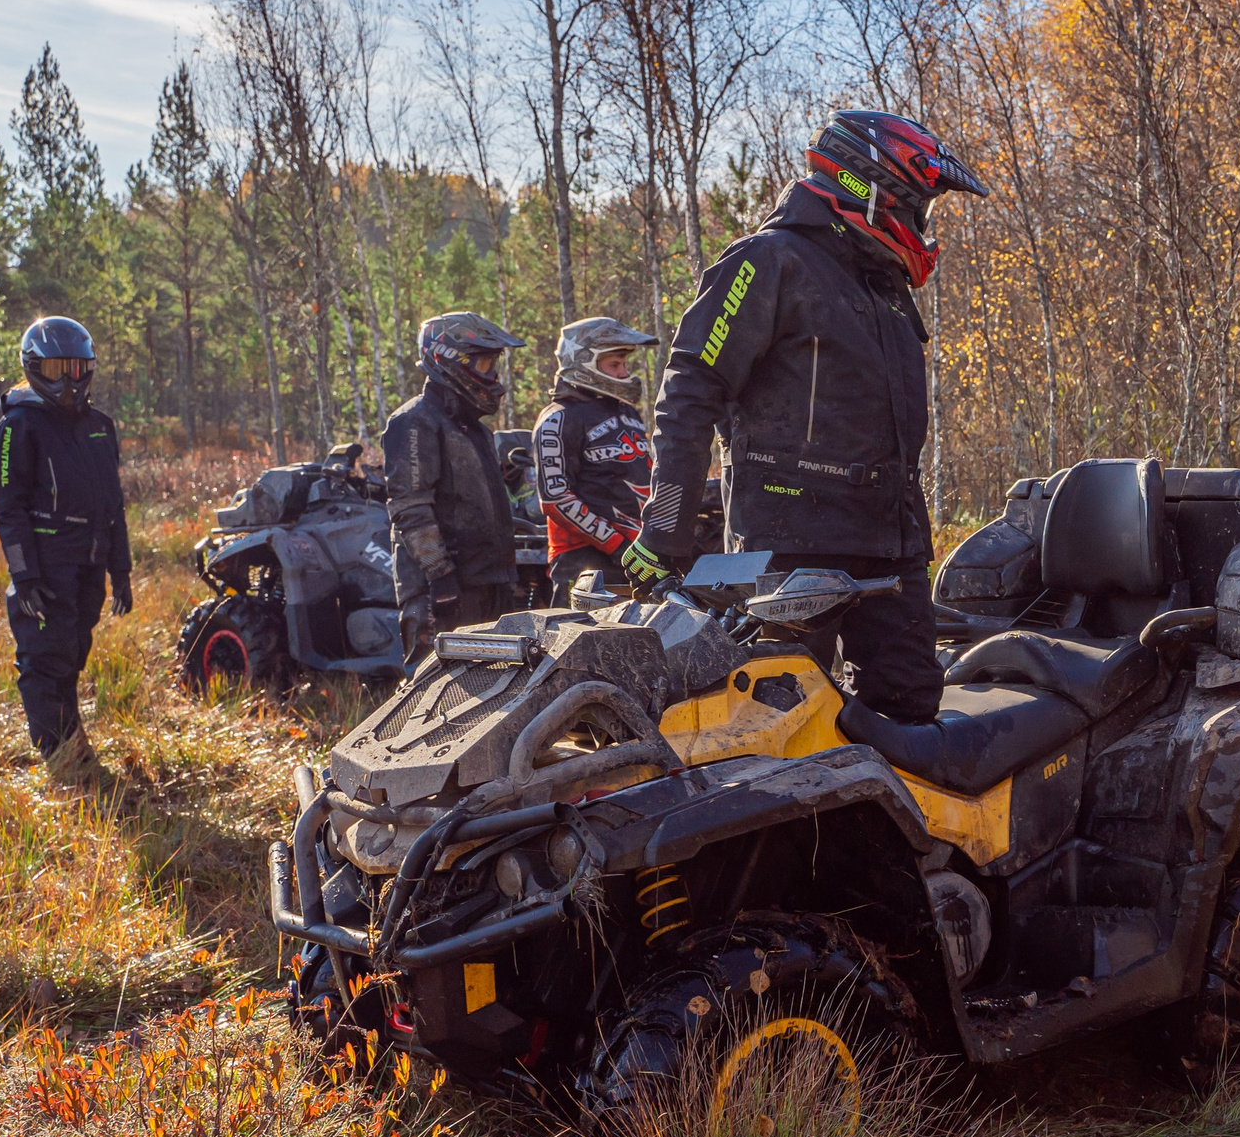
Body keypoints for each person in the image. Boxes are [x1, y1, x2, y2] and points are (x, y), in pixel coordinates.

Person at [632, 110, 986, 724]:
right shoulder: (769, 260)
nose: (923, 227)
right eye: (918, 208)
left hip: (892, 539)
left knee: (912, 708)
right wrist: (666, 530)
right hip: (789, 542)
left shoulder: (885, 289)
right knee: (778, 724)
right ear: (874, 193)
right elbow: (690, 390)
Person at [0, 316, 128, 788]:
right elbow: (7, 508)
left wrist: (121, 571)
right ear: (33, 369)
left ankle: (71, 743)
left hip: (89, 562)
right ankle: (60, 763)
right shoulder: (18, 426)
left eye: (74, 367)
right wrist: (24, 576)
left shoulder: (98, 426)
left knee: (72, 652)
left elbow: (114, 505)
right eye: (53, 369)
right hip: (46, 565)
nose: (65, 380)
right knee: (44, 658)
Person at [384, 312, 527, 656]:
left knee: (497, 694)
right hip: (444, 590)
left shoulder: (474, 427)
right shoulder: (414, 421)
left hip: (488, 582)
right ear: (450, 360)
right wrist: (441, 578)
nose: (492, 376)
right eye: (484, 364)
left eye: (493, 364)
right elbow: (410, 509)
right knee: (434, 696)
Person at [533, 316, 659, 597]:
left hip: (636, 553)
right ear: (583, 362)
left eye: (624, 364)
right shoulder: (558, 418)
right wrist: (616, 545)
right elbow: (556, 498)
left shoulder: (628, 413)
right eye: (614, 365)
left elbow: (648, 477)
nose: (622, 372)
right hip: (581, 561)